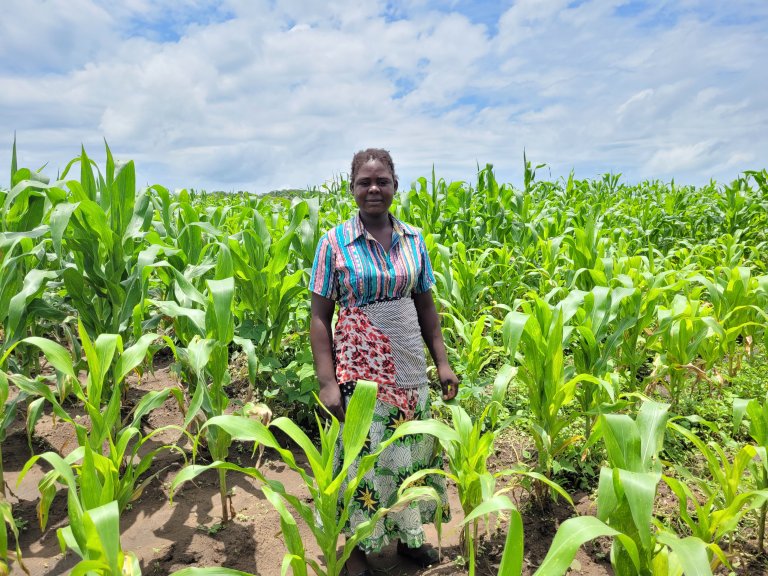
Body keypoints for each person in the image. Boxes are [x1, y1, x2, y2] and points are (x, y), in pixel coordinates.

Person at [309, 148, 459, 575]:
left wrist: (442, 363)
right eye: (364, 182)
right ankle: (356, 548)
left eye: (382, 181)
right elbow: (320, 318)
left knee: (409, 452)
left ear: (395, 185)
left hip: (410, 363)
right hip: (359, 371)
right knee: (361, 457)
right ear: (352, 187)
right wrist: (327, 381)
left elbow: (427, 307)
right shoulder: (334, 242)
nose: (373, 189)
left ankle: (408, 538)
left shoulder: (414, 239)